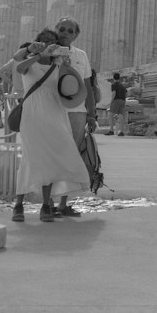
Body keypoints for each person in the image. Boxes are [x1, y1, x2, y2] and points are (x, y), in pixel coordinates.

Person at [10, 29, 88, 223]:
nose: (48, 44)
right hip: (33, 114)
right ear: (37, 42)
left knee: (53, 158)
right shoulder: (30, 61)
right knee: (31, 158)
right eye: (44, 41)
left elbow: (70, 84)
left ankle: (47, 205)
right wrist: (38, 55)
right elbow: (20, 69)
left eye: (52, 41)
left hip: (55, 113)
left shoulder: (58, 63)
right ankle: (18, 204)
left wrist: (65, 63)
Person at [51, 18, 95, 217]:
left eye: (70, 30)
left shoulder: (81, 55)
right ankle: (47, 202)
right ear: (56, 30)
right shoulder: (47, 53)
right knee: (51, 154)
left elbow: (87, 86)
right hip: (52, 109)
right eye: (61, 29)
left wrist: (92, 114)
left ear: (76, 35)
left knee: (72, 156)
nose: (65, 33)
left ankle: (63, 203)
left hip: (77, 111)